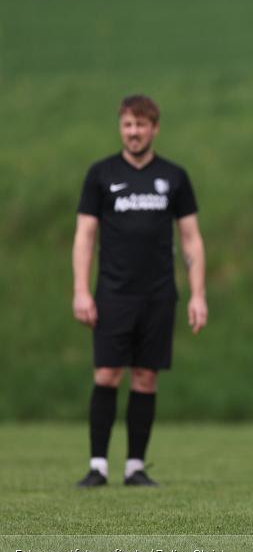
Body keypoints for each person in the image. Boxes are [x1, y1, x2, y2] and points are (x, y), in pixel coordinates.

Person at [72, 94, 207, 487]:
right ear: (121, 128)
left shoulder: (174, 177)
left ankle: (135, 467)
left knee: (146, 376)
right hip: (113, 293)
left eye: (141, 125)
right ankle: (98, 465)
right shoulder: (101, 175)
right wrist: (81, 290)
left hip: (158, 293)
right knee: (107, 372)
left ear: (155, 128)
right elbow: (84, 234)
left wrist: (198, 294)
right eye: (128, 125)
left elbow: (191, 239)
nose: (134, 133)